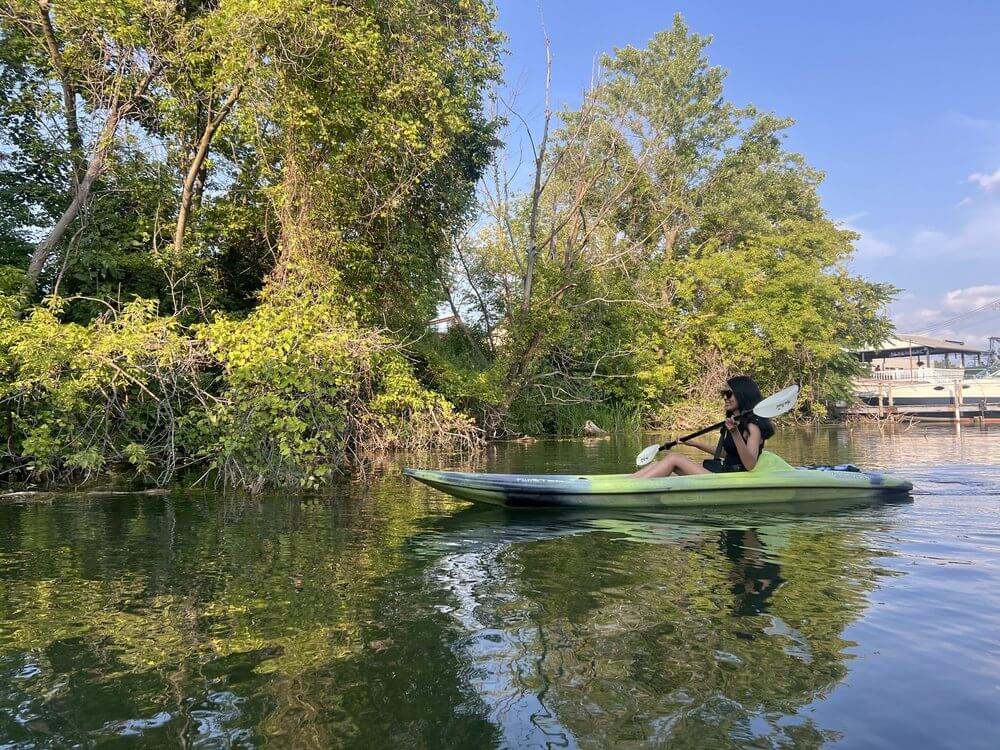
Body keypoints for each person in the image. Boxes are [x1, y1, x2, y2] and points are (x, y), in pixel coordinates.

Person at [632, 375, 775, 478]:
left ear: (742, 395)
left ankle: (631, 489)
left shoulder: (753, 427)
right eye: (723, 393)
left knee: (674, 457)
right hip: (724, 473)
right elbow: (727, 454)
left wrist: (735, 433)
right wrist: (694, 444)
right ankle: (628, 483)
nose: (725, 397)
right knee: (658, 463)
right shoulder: (735, 422)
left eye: (729, 393)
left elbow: (750, 464)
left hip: (733, 478)